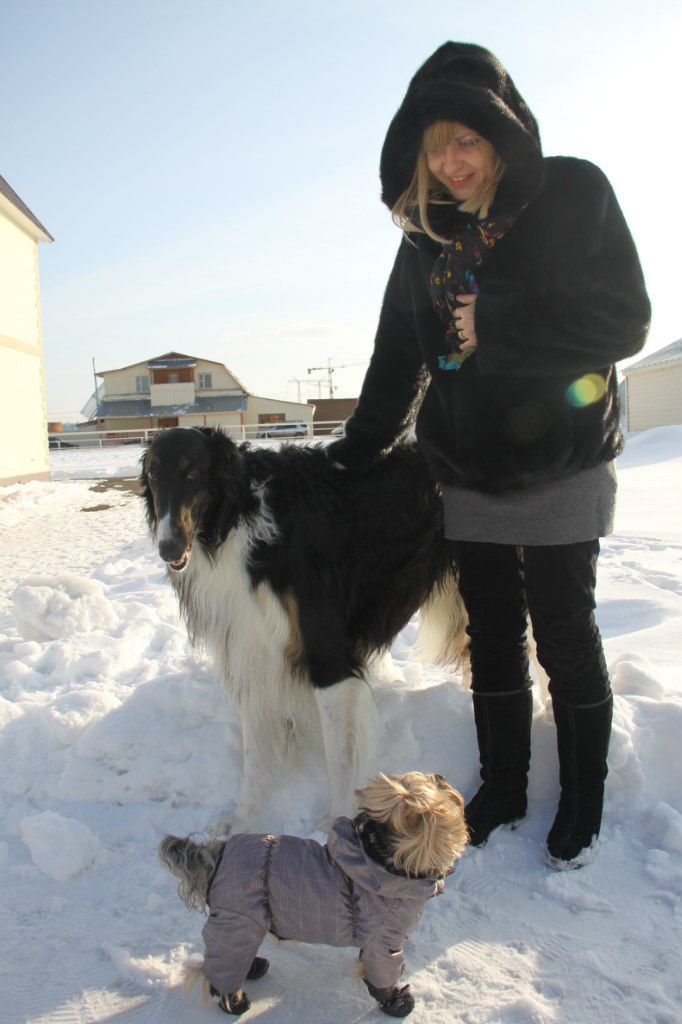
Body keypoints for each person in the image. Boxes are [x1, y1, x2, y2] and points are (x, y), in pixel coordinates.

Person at [327, 42, 650, 870]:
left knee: (564, 634)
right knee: (494, 636)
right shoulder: (423, 238)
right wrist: (352, 453)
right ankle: (505, 785)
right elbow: (396, 361)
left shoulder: (572, 193)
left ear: (502, 133)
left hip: (563, 460)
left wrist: (497, 323)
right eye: (435, 147)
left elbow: (625, 321)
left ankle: (582, 797)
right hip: (469, 471)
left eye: (466, 139)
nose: (452, 161)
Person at [158, 771, 468, 1017]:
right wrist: (387, 992)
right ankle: (223, 990)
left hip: (250, 856)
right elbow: (381, 952)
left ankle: (241, 960)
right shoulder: (392, 906)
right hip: (246, 887)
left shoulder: (360, 859)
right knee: (235, 937)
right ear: (439, 849)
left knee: (240, 933)